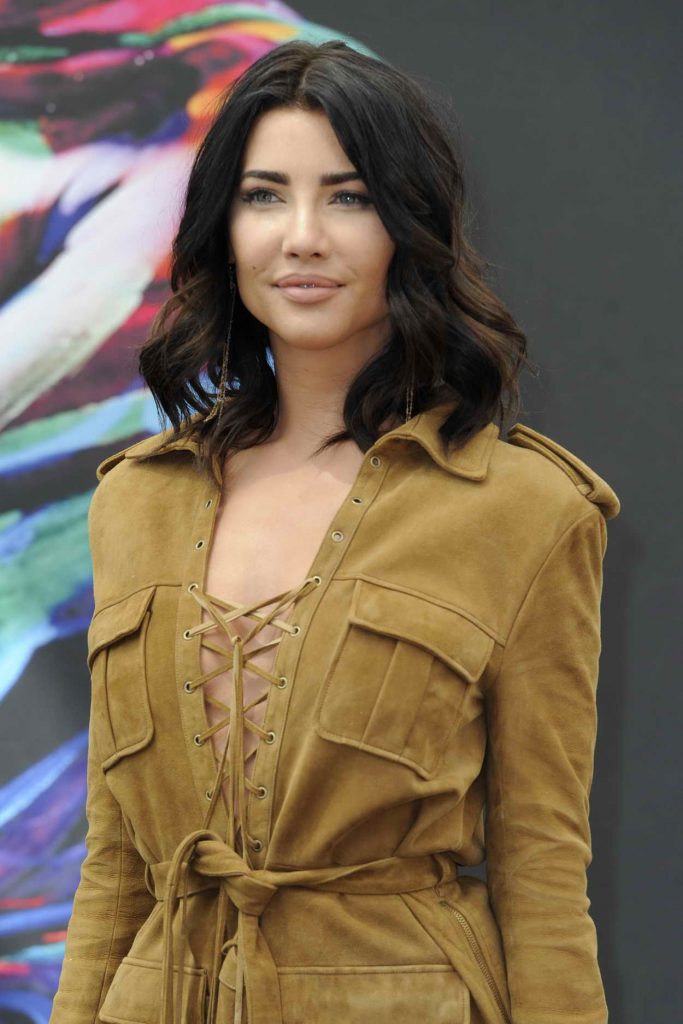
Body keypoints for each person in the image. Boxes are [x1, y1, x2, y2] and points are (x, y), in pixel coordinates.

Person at [50, 39, 620, 1024]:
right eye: (264, 195)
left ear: (408, 226)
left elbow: (538, 868)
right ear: (222, 229)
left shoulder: (521, 511)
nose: (301, 237)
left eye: (347, 197)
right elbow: (116, 863)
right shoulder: (132, 502)